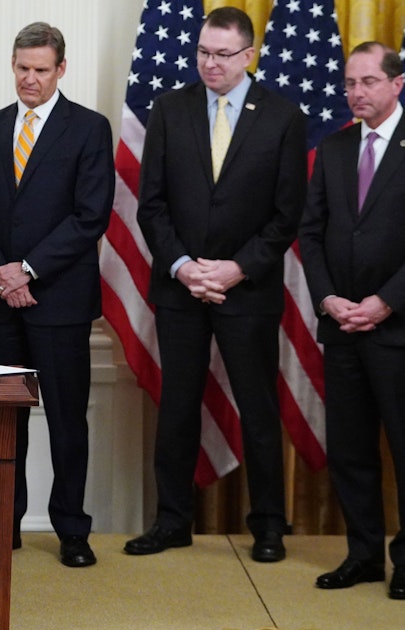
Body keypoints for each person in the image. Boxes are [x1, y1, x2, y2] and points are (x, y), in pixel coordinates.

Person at [125, 6, 307, 562]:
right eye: (203, 52)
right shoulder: (168, 108)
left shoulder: (282, 116)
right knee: (177, 405)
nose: (210, 63)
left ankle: (269, 525)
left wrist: (235, 268)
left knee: (256, 407)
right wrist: (183, 265)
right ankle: (172, 520)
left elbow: (287, 214)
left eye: (222, 54)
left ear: (248, 55)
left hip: (247, 289)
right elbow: (149, 204)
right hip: (181, 287)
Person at [0, 21, 114, 567]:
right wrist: (2, 275)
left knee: (67, 419)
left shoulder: (89, 128)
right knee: (5, 420)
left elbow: (90, 215)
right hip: (2, 302)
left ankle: (72, 529)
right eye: (22, 68)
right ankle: (3, 524)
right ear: (13, 65)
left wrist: (27, 269)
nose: (30, 78)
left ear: (61, 69)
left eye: (41, 70)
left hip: (61, 302)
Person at [299, 42, 405, 598]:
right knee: (350, 448)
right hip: (341, 327)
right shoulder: (335, 148)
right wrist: (327, 298)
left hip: (397, 329)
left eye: (367, 82)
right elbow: (310, 233)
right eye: (349, 83)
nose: (356, 93)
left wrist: (387, 301)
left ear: (397, 83)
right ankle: (363, 555)